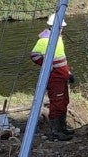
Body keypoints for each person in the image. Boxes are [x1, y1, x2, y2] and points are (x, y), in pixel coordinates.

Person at [31, 13, 75, 142]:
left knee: (64, 101)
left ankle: (62, 128)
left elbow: (61, 59)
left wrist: (69, 73)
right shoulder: (45, 40)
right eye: (61, 27)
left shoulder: (58, 38)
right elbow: (34, 55)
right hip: (54, 77)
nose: (62, 29)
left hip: (62, 76)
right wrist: (47, 65)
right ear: (55, 26)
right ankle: (56, 132)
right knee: (57, 103)